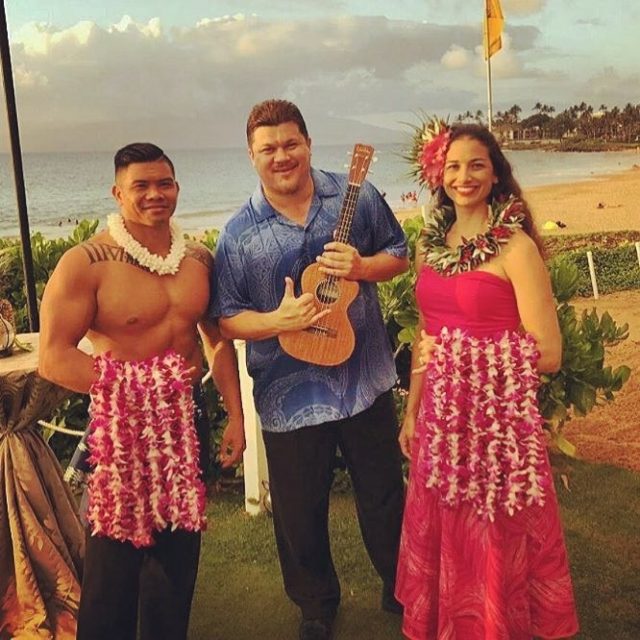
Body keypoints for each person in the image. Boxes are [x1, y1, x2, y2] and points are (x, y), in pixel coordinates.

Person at [211, 99, 408, 640]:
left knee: (385, 493)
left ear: (309, 143)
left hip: (363, 381)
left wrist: (364, 267)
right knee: (299, 510)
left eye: (290, 143)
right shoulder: (237, 234)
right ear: (251, 155)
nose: (282, 156)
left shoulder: (356, 196)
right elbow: (225, 319)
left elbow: (400, 251)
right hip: (286, 396)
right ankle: (315, 606)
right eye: (268, 148)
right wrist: (276, 320)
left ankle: (402, 587)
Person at [38, 142, 245, 640]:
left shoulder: (197, 258)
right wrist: (138, 391)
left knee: (176, 569)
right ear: (117, 193)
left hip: (186, 423)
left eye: (165, 183)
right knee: (113, 575)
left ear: (176, 187)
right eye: (141, 186)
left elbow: (215, 339)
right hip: (122, 428)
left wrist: (235, 415)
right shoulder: (86, 263)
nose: (156, 194)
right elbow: (54, 356)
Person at [395, 121, 579, 639]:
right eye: (453, 165)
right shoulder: (428, 247)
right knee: (444, 537)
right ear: (438, 173)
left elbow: (547, 351)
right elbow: (426, 337)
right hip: (441, 423)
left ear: (495, 172)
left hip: (497, 429)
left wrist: (457, 356)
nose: (463, 176)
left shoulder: (515, 247)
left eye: (476, 164)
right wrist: (413, 412)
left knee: (494, 541)